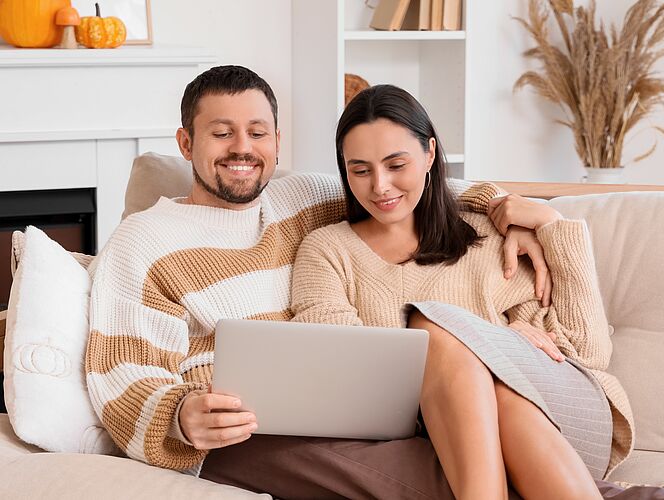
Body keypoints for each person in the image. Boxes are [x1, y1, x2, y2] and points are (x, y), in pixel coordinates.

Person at [287, 84, 664, 500]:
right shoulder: (328, 251)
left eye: (396, 164)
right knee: (453, 348)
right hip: (446, 432)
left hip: (563, 414)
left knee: (452, 342)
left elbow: (589, 350)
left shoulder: (489, 237)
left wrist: (556, 225)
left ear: (430, 154)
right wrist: (493, 345)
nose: (380, 185)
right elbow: (350, 375)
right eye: (360, 170)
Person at [84, 66, 548, 484]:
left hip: (351, 410)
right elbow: (119, 375)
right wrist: (180, 418)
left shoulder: (301, 199)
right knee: (450, 475)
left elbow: (413, 188)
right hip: (242, 431)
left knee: (476, 449)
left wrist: (510, 211)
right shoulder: (142, 241)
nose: (243, 148)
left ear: (277, 142)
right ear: (186, 143)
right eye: (222, 133)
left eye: (257, 132)